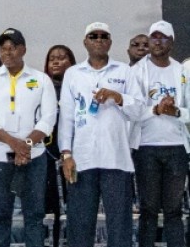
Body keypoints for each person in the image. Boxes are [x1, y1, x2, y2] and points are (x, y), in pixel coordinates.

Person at [58, 22, 143, 247]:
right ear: (85, 42)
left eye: (103, 36)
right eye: (93, 36)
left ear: (110, 42)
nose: (98, 40)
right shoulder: (73, 73)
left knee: (120, 226)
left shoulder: (124, 71)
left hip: (117, 160)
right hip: (82, 160)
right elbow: (66, 117)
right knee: (80, 226)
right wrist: (66, 154)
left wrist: (118, 96)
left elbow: (139, 110)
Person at [0, 28, 57, 247]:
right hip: (0, 158)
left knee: (34, 215)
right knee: (1, 216)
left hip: (34, 158)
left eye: (12, 48)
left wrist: (27, 145)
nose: (7, 53)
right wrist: (14, 144)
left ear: (23, 50)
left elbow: (48, 118)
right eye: (3, 48)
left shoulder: (41, 80)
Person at [130, 20, 189, 247]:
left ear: (171, 42)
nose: (157, 42)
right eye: (154, 37)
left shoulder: (182, 71)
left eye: (163, 37)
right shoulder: (137, 71)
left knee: (174, 210)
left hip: (176, 148)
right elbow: (132, 110)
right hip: (147, 147)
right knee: (148, 209)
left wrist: (176, 112)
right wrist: (156, 109)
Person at [42, 44, 75, 247]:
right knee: (50, 207)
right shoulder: (41, 88)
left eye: (62, 58)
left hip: (73, 156)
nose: (56, 61)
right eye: (52, 58)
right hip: (47, 155)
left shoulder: (77, 88)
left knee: (74, 206)